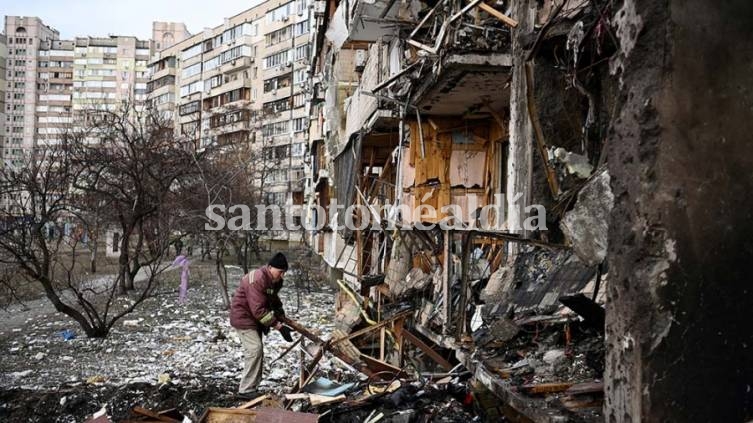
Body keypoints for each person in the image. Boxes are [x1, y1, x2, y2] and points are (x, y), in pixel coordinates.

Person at [230, 252, 294, 398]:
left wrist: (279, 310)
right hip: (244, 317)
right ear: (270, 267)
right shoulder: (257, 279)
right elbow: (258, 310)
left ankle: (252, 387)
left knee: (257, 351)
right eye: (280, 272)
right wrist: (279, 326)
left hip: (254, 318)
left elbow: (272, 296)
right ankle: (246, 390)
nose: (282, 276)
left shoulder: (273, 279)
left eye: (284, 272)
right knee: (255, 350)